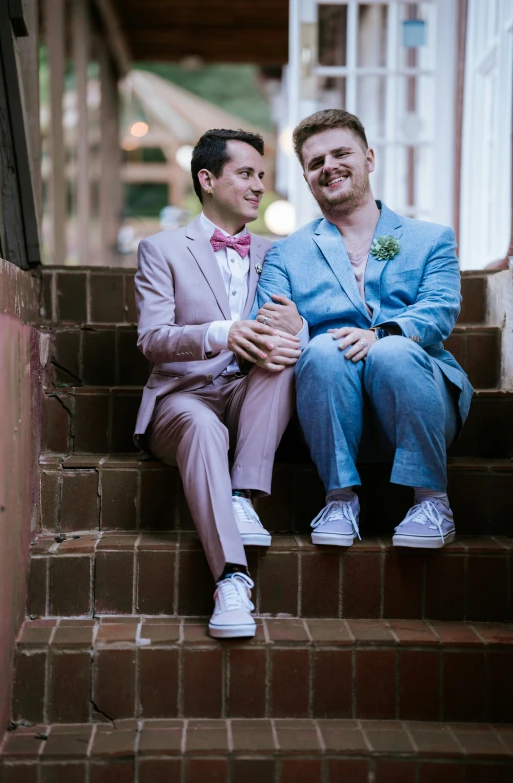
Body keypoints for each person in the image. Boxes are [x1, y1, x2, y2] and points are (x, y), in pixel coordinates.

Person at [254, 109, 473, 549]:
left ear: (369, 158)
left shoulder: (430, 238)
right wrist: (299, 329)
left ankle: (432, 500)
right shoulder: (286, 255)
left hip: (418, 400)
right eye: (316, 162)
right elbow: (271, 324)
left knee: (391, 351)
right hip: (331, 407)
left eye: (341, 153)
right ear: (307, 178)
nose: (329, 166)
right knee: (319, 349)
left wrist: (381, 335)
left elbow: (440, 309)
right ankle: (339, 498)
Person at [134, 129, 306, 639]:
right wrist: (220, 333)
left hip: (248, 395)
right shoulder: (160, 249)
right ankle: (232, 579)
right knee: (202, 428)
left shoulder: (279, 252)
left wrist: (300, 327)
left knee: (284, 356)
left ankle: (242, 494)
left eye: (261, 175)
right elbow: (152, 338)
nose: (259, 186)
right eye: (246, 174)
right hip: (182, 399)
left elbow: (303, 324)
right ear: (207, 180)